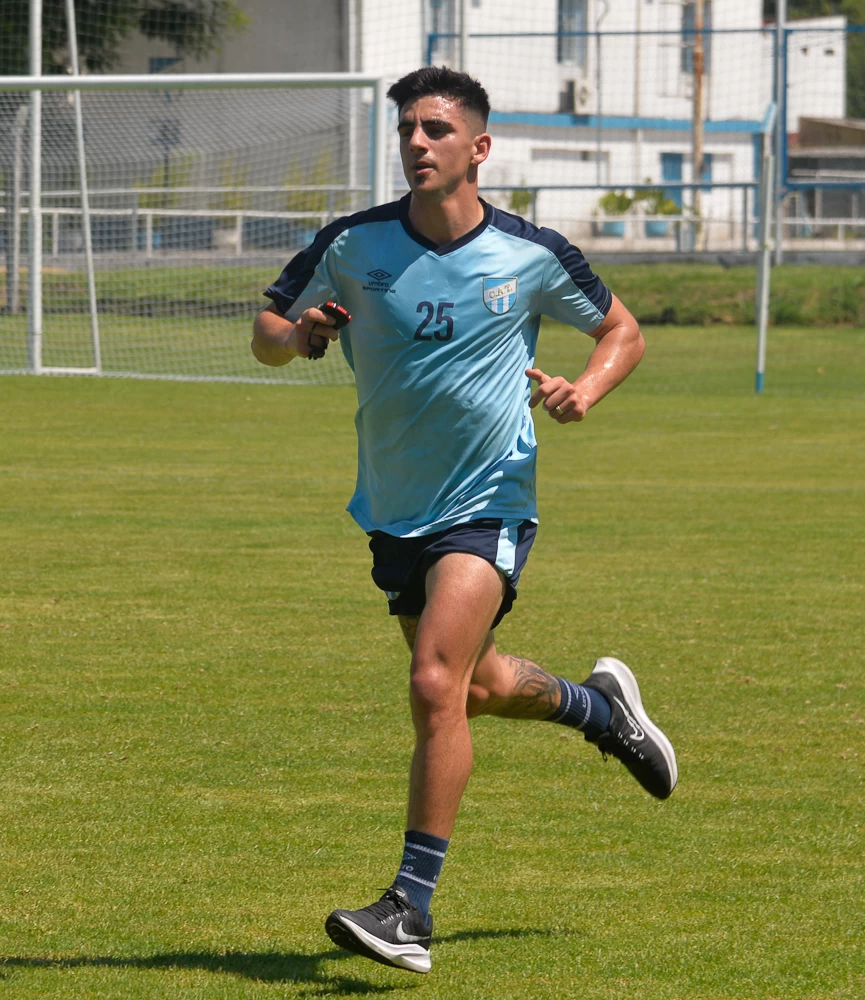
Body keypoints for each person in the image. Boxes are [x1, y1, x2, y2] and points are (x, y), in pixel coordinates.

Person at [251, 66, 677, 976]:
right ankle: (599, 712)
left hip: (489, 501)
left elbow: (623, 333)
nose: (417, 142)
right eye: (409, 127)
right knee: (473, 686)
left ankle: (408, 906)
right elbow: (267, 334)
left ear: (477, 148)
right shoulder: (351, 243)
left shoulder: (528, 252)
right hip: (393, 508)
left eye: (437, 129)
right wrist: (305, 335)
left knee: (433, 682)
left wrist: (583, 392)